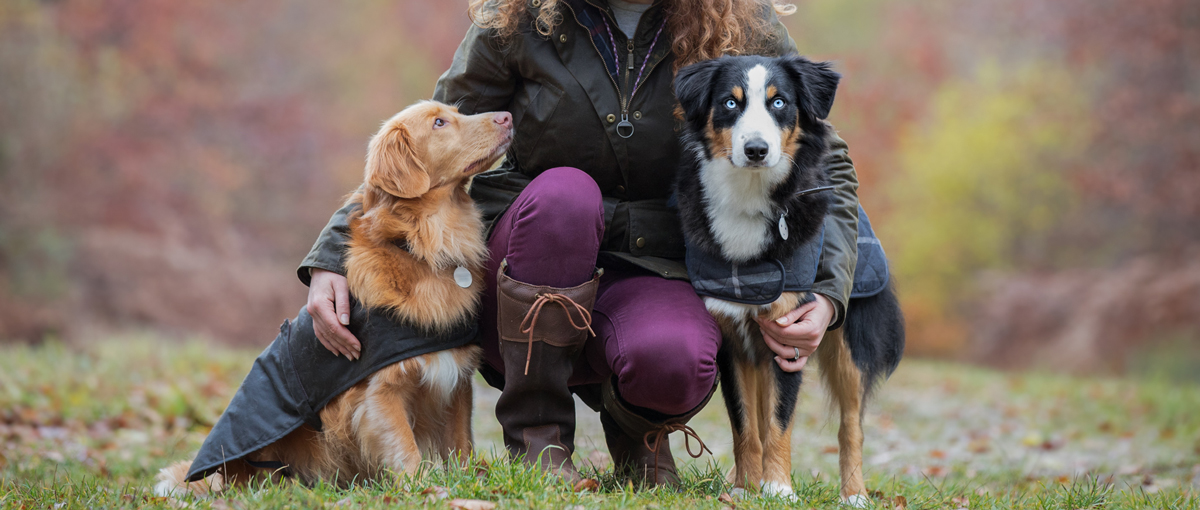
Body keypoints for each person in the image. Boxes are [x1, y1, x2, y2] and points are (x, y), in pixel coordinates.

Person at [298, 0, 860, 488]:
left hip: (654, 267)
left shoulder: (741, 20)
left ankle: (639, 439)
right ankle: (539, 437)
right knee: (567, 196)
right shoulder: (517, 18)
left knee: (676, 359)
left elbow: (824, 158)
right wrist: (331, 256)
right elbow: (427, 144)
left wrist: (829, 294)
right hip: (531, 252)